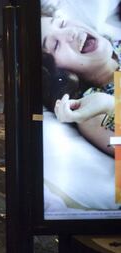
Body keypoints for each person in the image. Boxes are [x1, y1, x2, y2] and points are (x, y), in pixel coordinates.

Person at [41, 12, 120, 155]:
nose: (70, 32)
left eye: (62, 24)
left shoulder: (116, 44)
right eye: (56, 45)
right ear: (59, 73)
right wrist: (110, 106)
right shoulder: (90, 113)